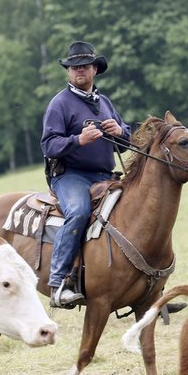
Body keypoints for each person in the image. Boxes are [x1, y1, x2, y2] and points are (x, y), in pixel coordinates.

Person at [41, 41, 130, 308]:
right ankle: (58, 284)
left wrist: (120, 132)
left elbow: (125, 141)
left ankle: (145, 289)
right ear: (68, 72)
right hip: (71, 176)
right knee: (79, 212)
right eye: (74, 67)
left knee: (138, 209)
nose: (79, 70)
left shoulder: (104, 102)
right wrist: (78, 140)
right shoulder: (59, 104)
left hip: (105, 176)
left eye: (85, 66)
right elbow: (48, 145)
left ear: (94, 70)